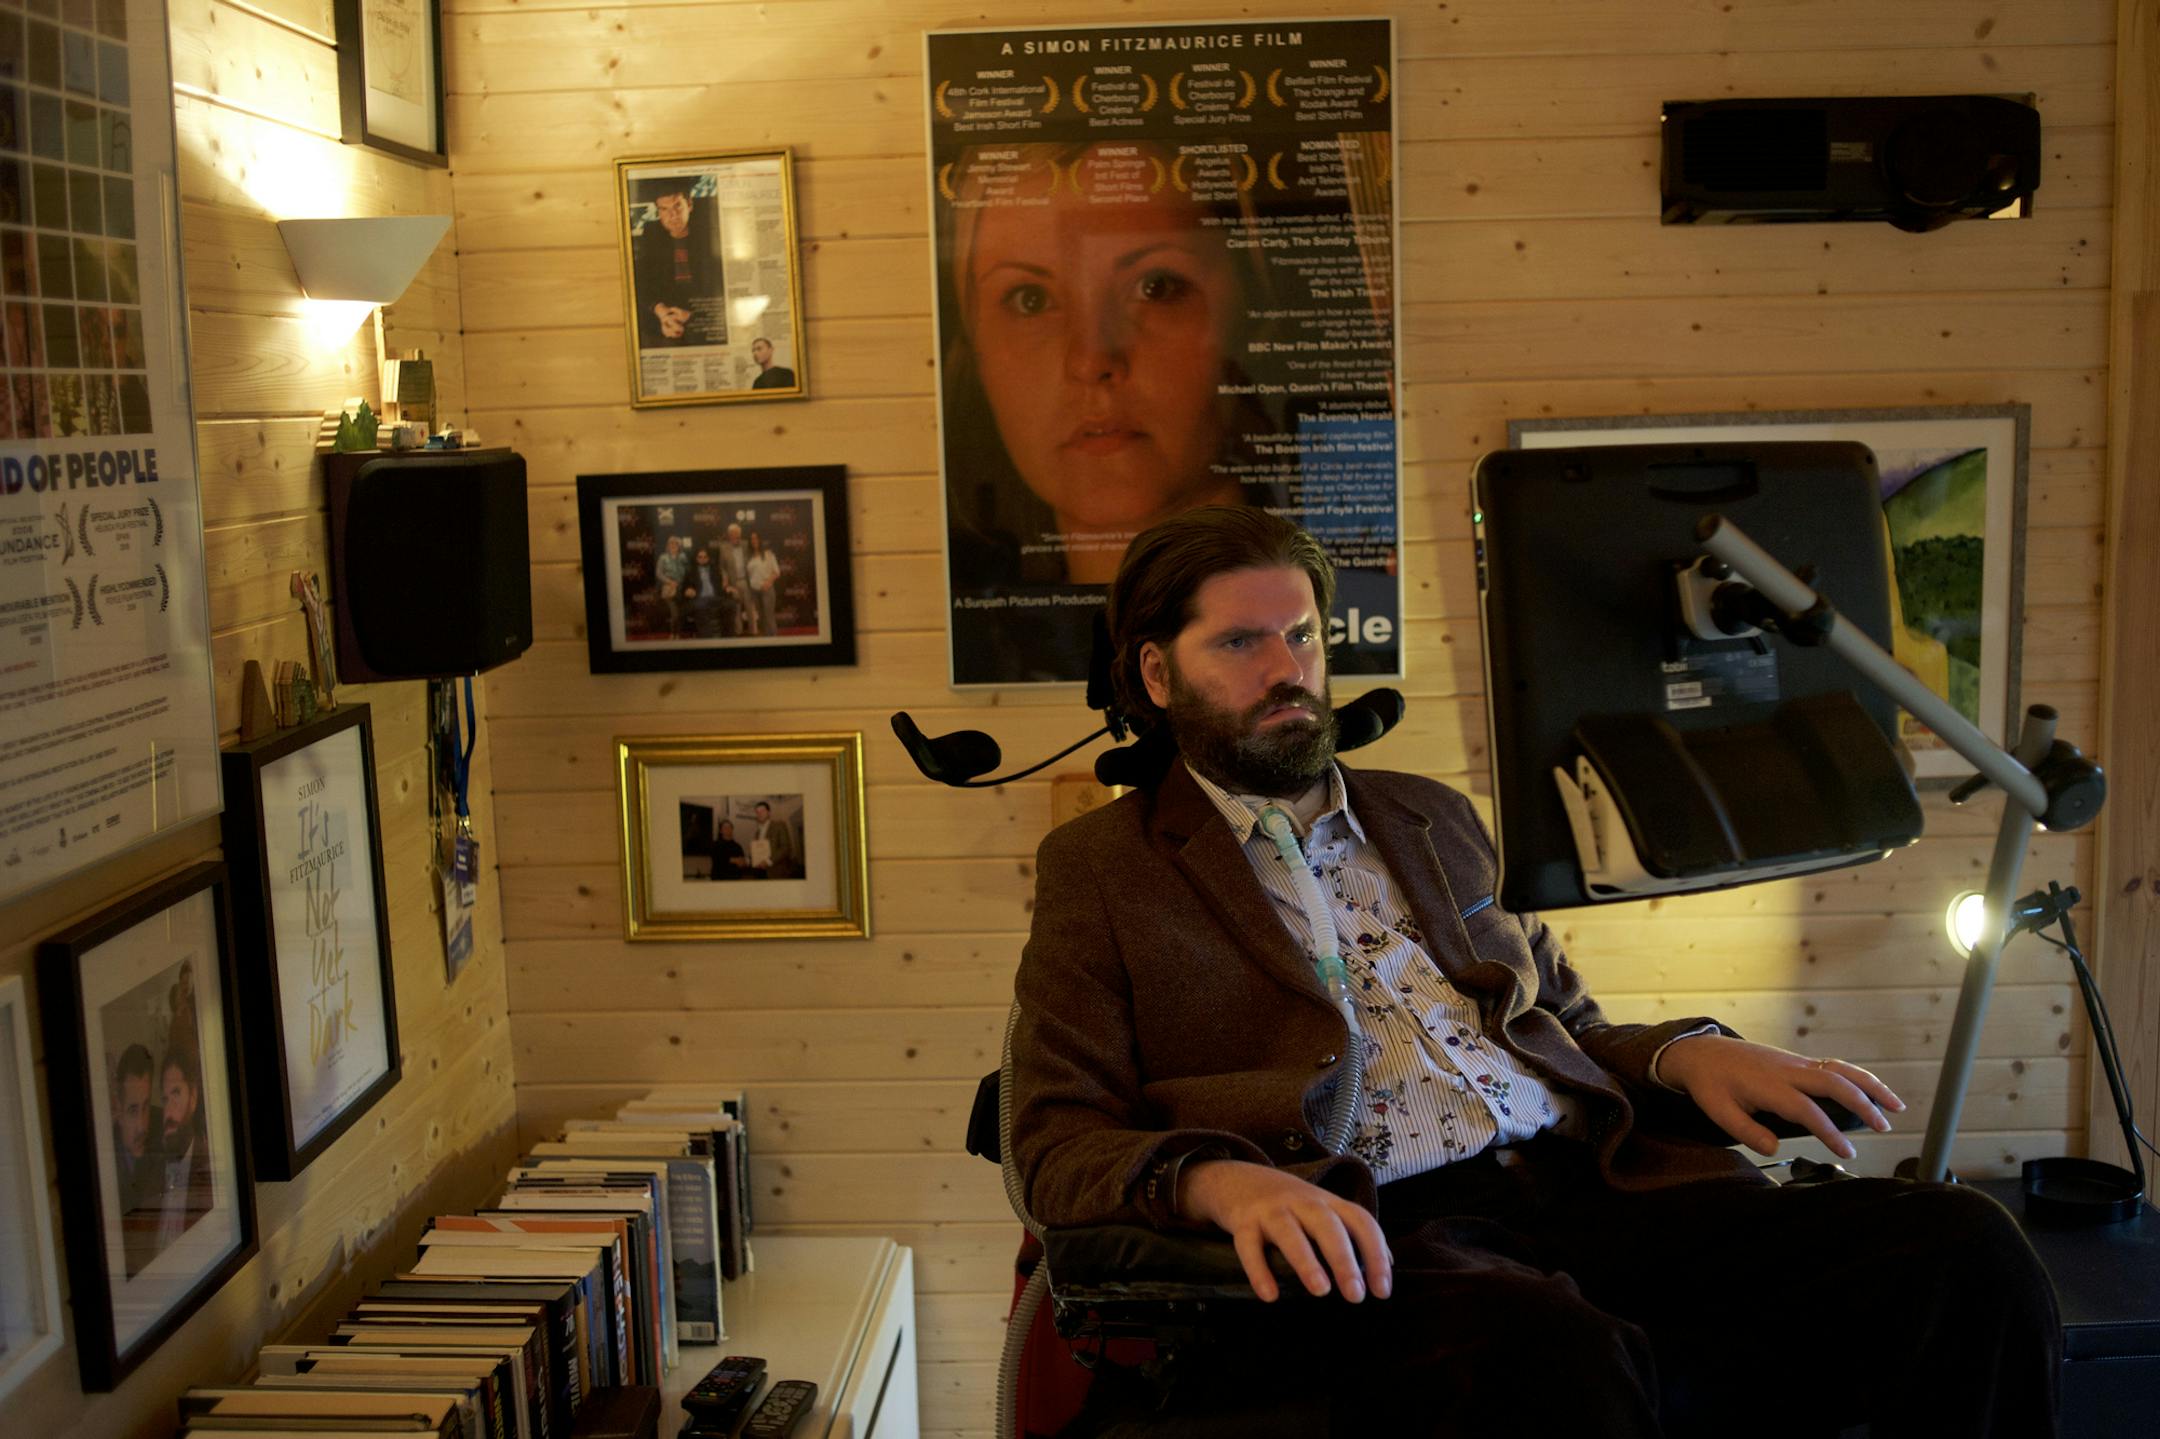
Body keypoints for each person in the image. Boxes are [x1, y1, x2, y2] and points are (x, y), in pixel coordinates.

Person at [1008, 505, 2059, 1437]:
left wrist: (1687, 1057)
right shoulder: (1106, 870)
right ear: (1158, 673)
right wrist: (1220, 1179)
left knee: (1957, 1246)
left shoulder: (1431, 814)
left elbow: (1566, 1023)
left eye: (1303, 635)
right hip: (1384, 1222)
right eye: (1240, 641)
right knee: (1556, 1350)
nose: (1287, 668)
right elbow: (1055, 1139)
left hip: (1585, 1174)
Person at [631, 177, 725, 348]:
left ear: (689, 204)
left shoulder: (710, 231)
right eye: (664, 209)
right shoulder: (651, 233)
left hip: (702, 311)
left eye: (677, 206)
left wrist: (692, 316)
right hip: (666, 312)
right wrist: (660, 311)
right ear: (658, 212)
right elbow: (641, 281)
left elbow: (721, 288)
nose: (672, 216)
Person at [150, 1046, 214, 1256]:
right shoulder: (154, 1171)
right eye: (165, 1099)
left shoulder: (207, 1171)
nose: (168, 1111)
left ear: (193, 1098)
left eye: (176, 1093)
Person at [716, 524, 752, 636]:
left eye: (737, 533)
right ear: (729, 535)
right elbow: (722, 567)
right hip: (733, 583)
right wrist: (725, 579)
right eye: (732, 533)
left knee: (750, 608)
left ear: (740, 534)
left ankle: (753, 631)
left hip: (746, 581)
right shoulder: (723, 547)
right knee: (736, 610)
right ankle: (738, 632)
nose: (735, 535)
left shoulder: (746, 545)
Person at [748, 800, 797, 880]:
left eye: (762, 811)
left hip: (776, 872)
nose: (759, 814)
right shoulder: (757, 832)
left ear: (769, 813)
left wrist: (768, 861)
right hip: (760, 872)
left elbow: (786, 848)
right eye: (757, 812)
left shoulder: (779, 825)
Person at [744, 531, 780, 636]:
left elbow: (776, 572)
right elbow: (749, 575)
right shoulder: (748, 557)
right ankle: (765, 640)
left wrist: (768, 583)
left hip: (767, 590)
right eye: (752, 539)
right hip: (755, 592)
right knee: (761, 618)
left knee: (769, 618)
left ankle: (773, 640)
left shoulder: (768, 554)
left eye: (756, 538)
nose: (754, 541)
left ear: (760, 540)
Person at [654, 534, 690, 637]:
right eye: (671, 544)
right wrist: (670, 582)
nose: (673, 546)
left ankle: (678, 633)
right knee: (675, 614)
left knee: (681, 613)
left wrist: (683, 560)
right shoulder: (663, 557)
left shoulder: (683, 557)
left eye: (676, 544)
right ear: (668, 546)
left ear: (679, 546)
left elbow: (688, 572)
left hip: (682, 589)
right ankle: (673, 633)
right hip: (669, 588)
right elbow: (658, 573)